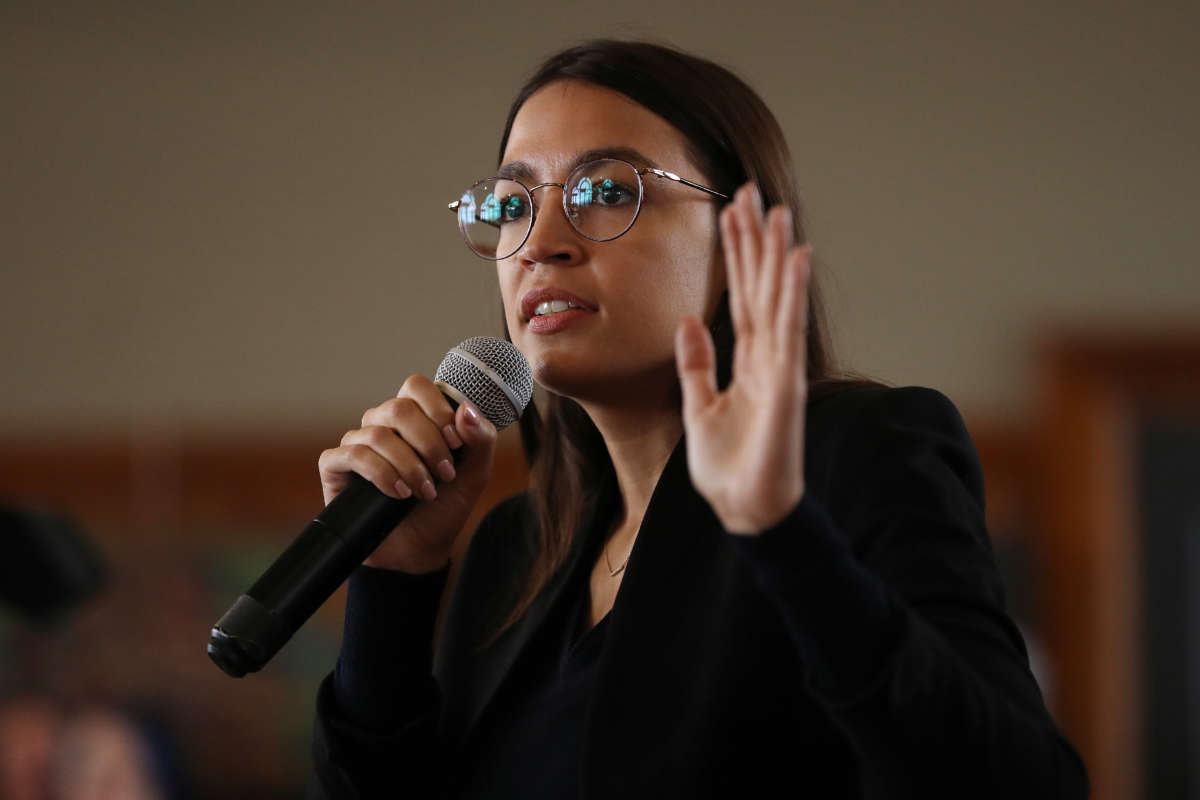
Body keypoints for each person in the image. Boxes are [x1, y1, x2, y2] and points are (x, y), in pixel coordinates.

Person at [306, 39, 1089, 798]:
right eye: (512, 205)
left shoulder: (861, 453)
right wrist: (394, 581)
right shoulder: (514, 550)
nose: (540, 244)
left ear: (739, 234)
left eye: (607, 191)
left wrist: (782, 532)